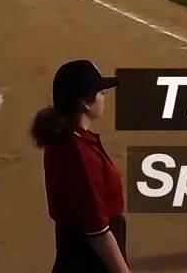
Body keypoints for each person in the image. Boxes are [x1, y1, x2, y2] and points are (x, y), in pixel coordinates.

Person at [31, 60, 128, 273]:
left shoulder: (64, 139)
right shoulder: (78, 152)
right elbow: (97, 230)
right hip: (89, 259)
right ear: (85, 103)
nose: (104, 97)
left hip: (74, 250)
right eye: (100, 93)